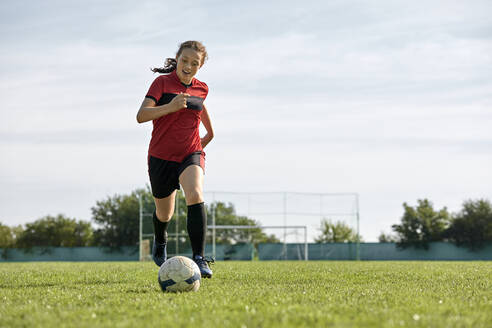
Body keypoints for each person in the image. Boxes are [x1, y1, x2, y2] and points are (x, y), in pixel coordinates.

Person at [136, 40, 214, 278]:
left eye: (194, 63)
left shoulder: (202, 89)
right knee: (165, 214)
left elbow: (208, 129)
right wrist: (170, 107)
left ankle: (199, 258)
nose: (188, 66)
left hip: (190, 155)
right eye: (184, 60)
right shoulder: (161, 83)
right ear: (177, 59)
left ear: (200, 66)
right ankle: (161, 240)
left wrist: (195, 151)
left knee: (195, 194)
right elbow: (141, 116)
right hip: (160, 157)